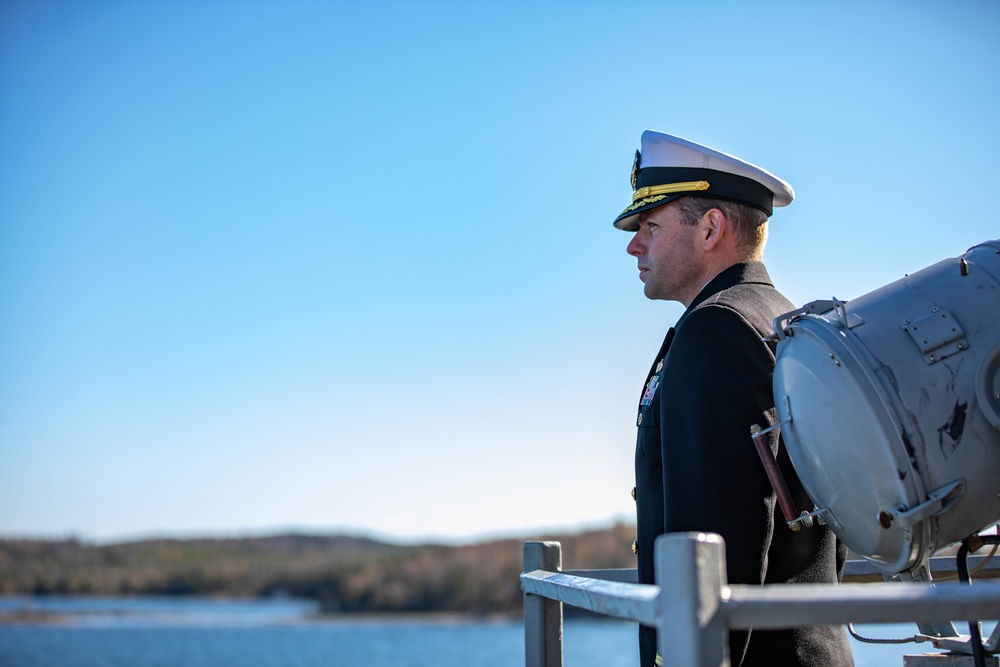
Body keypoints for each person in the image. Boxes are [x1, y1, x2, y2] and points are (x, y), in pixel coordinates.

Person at [616, 131, 854, 667]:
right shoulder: (780, 318)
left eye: (651, 226)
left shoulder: (716, 331)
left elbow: (717, 546)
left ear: (710, 228)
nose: (634, 245)